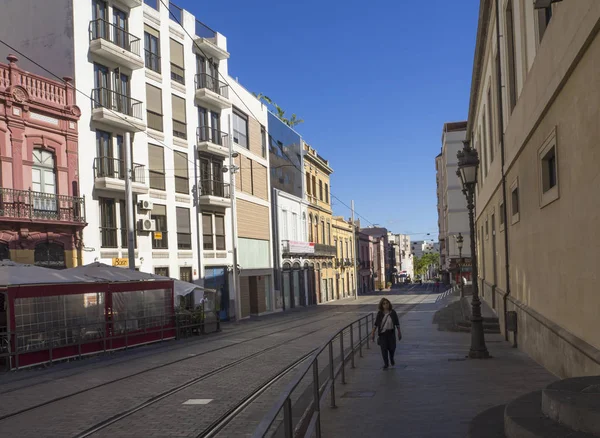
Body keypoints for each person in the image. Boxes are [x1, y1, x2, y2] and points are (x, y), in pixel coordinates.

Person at [371, 297, 402, 369]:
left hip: (391, 333)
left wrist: (399, 332)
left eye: (387, 303)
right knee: (384, 349)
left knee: (392, 348)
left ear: (389, 304)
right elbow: (376, 324)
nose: (385, 305)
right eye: (384, 304)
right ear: (381, 305)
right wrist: (373, 333)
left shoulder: (393, 312)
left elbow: (397, 323)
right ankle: (386, 364)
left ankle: (391, 358)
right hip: (383, 334)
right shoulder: (380, 313)